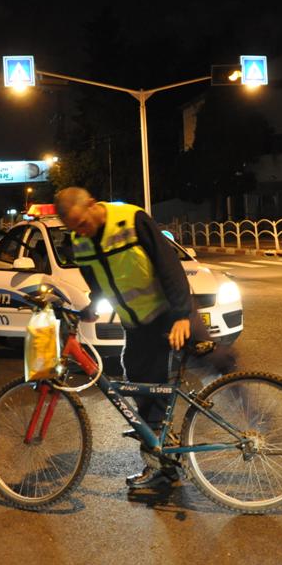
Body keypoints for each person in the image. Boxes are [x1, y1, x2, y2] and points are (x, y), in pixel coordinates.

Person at [56, 186, 221, 489]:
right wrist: (91, 307)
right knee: (142, 390)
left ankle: (253, 418)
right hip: (137, 325)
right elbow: (97, 280)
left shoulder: (130, 219)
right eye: (73, 227)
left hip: (170, 312)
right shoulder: (81, 241)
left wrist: (183, 315)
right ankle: (163, 464)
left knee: (217, 360)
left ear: (93, 204)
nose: (80, 230)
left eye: (82, 223)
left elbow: (169, 264)